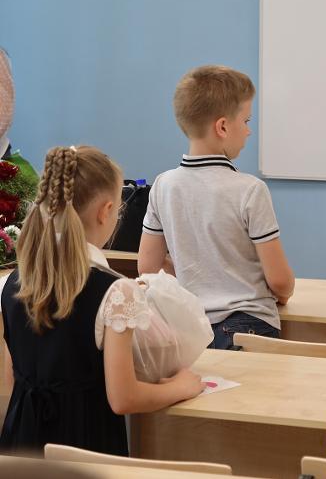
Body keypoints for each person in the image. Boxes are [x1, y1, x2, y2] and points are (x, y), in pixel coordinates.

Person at [1, 146, 204, 455]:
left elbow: (6, 383)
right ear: (105, 210)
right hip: (84, 446)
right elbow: (123, 398)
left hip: (20, 444)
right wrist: (182, 386)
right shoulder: (116, 292)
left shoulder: (12, 282)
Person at [138, 65, 295, 350]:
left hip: (189, 330)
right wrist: (283, 291)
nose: (249, 131)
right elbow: (280, 281)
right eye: (246, 121)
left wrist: (198, 272)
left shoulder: (163, 185)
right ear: (223, 127)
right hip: (249, 329)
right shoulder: (250, 190)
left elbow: (147, 267)